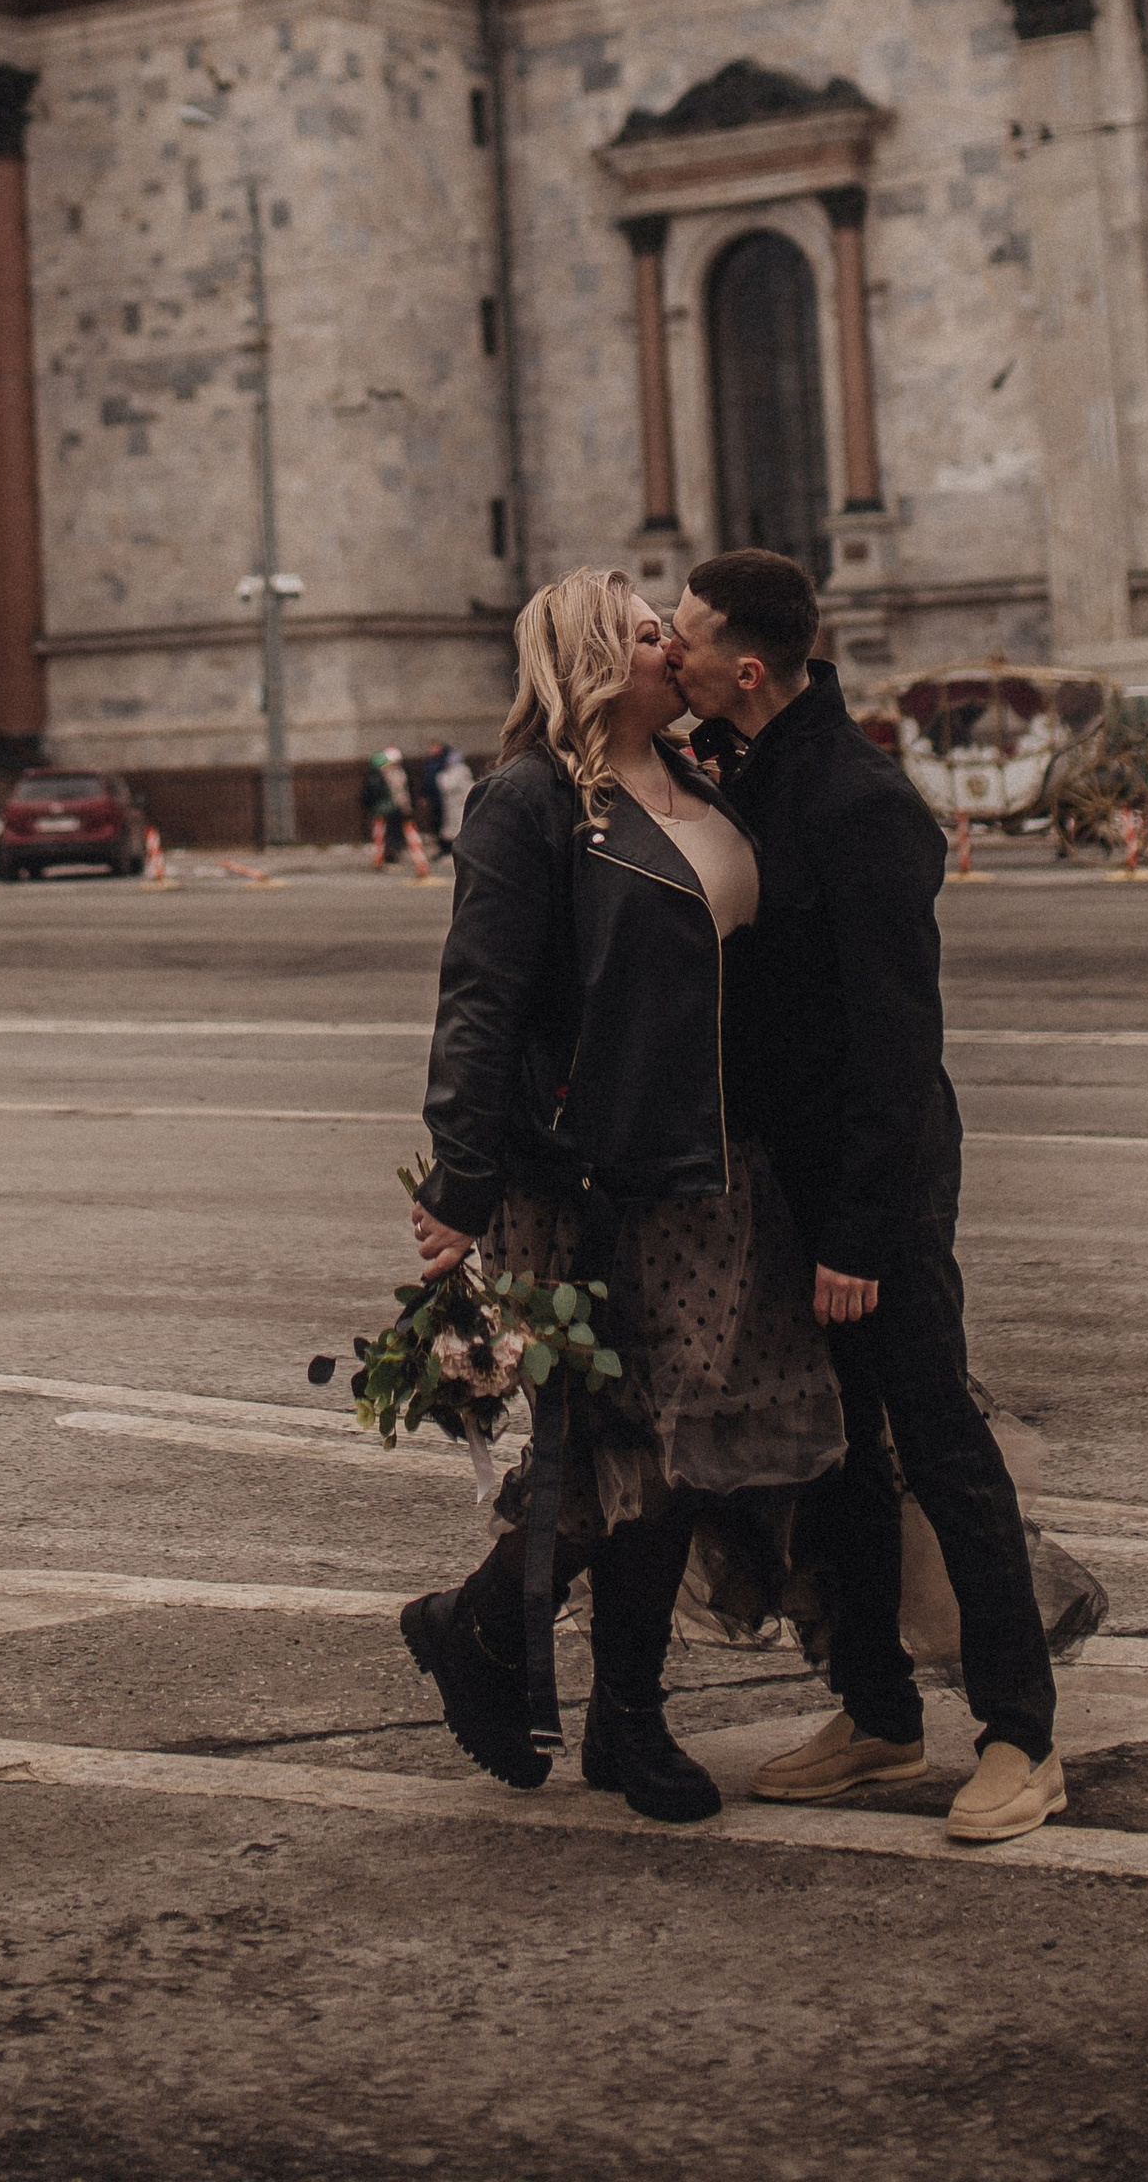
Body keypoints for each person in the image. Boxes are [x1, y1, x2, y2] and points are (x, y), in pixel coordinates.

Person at [401, 568, 843, 1824]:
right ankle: (618, 1717)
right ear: (597, 663)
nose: (677, 653)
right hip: (592, 1179)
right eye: (653, 636)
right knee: (628, 1449)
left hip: (715, 1169)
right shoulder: (529, 803)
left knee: (678, 1452)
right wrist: (460, 1181)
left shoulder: (699, 781)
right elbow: (478, 999)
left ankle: (484, 1631)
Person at [666, 545, 1065, 1848]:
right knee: (839, 1456)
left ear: (744, 663)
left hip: (875, 1185)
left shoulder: (857, 802)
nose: (666, 646)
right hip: (795, 1182)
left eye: (683, 630)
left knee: (940, 1442)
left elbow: (899, 1046)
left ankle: (1019, 1734)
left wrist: (859, 1228)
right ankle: (880, 1713)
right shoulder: (755, 777)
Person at [371, 744, 430, 877]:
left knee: (406, 835)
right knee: (394, 835)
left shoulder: (394, 774)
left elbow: (401, 793)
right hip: (396, 809)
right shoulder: (387, 775)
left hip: (399, 809)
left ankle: (418, 863)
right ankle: (393, 858)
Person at [429, 738, 474, 849]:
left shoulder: (458, 771)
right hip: (453, 804)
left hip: (457, 803)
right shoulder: (460, 771)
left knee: (455, 827)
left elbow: (447, 785)